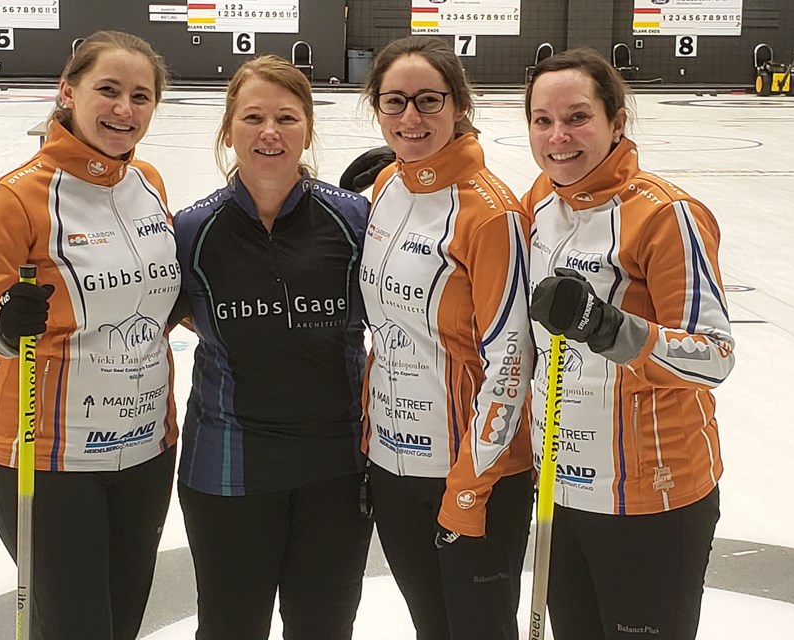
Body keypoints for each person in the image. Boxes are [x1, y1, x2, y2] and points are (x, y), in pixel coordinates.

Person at [0, 30, 179, 640]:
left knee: (121, 625)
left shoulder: (148, 182)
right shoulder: (16, 196)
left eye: (140, 96)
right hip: (49, 460)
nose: (124, 110)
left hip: (147, 450)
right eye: (108, 90)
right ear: (67, 92)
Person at [522, 47, 734, 640]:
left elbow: (714, 358)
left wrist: (608, 328)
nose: (558, 136)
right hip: (558, 488)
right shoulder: (538, 202)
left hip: (651, 498)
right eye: (542, 120)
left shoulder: (666, 216)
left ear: (617, 122)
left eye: (577, 117)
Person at [169, 54, 373, 640]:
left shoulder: (352, 219)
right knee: (231, 627)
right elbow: (162, 314)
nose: (269, 132)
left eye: (286, 117)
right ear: (228, 127)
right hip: (227, 465)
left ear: (308, 128)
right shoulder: (191, 231)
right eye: (253, 116)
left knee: (324, 628)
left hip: (335, 466)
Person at [357, 36, 535, 640]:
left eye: (428, 101)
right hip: (391, 460)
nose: (411, 118)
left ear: (459, 105)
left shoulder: (490, 213)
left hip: (471, 472)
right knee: (431, 626)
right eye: (394, 102)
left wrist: (469, 485)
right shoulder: (385, 188)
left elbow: (511, 361)